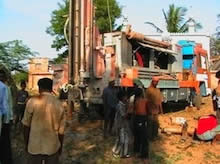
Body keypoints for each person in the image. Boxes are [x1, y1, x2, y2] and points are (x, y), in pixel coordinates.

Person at [22, 78, 65, 164]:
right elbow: (61, 131)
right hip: (52, 147)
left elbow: (26, 126)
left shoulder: (32, 102)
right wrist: (60, 147)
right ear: (51, 88)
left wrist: (26, 143)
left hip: (34, 146)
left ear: (39, 88)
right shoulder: (59, 104)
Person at [112, 90, 131, 158]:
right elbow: (124, 116)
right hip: (120, 125)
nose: (126, 98)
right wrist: (128, 109)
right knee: (121, 140)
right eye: (125, 97)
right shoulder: (119, 105)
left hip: (124, 124)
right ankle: (115, 152)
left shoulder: (124, 104)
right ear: (122, 97)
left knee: (126, 139)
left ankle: (124, 153)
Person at [0, 70, 13, 164]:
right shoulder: (4, 87)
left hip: (4, 119)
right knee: (4, 142)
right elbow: (6, 106)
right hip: (3, 120)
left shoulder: (5, 88)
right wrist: (7, 120)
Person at [133, 88, 149, 164]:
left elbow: (134, 111)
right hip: (142, 119)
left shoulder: (136, 101)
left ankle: (136, 151)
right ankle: (144, 156)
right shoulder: (144, 101)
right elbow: (148, 110)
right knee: (144, 138)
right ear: (141, 93)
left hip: (137, 119)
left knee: (137, 136)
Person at [146, 76, 163, 141]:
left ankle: (154, 136)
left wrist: (161, 110)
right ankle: (149, 137)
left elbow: (159, 101)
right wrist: (148, 110)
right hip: (150, 111)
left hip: (156, 111)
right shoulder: (148, 90)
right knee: (150, 124)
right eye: (155, 82)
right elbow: (146, 101)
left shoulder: (158, 90)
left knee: (156, 124)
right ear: (152, 82)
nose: (156, 83)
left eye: (157, 82)